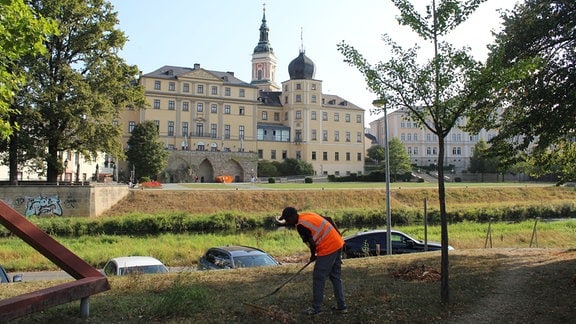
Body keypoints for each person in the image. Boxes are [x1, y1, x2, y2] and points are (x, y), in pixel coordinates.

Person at [278, 206, 347, 315]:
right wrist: (338, 235)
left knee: (318, 277)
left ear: (293, 216)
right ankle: (342, 306)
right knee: (335, 276)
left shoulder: (301, 226)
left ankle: (316, 308)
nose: (286, 221)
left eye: (287, 219)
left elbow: (312, 243)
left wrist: (312, 255)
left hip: (328, 248)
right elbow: (328, 219)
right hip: (338, 243)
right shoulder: (307, 215)